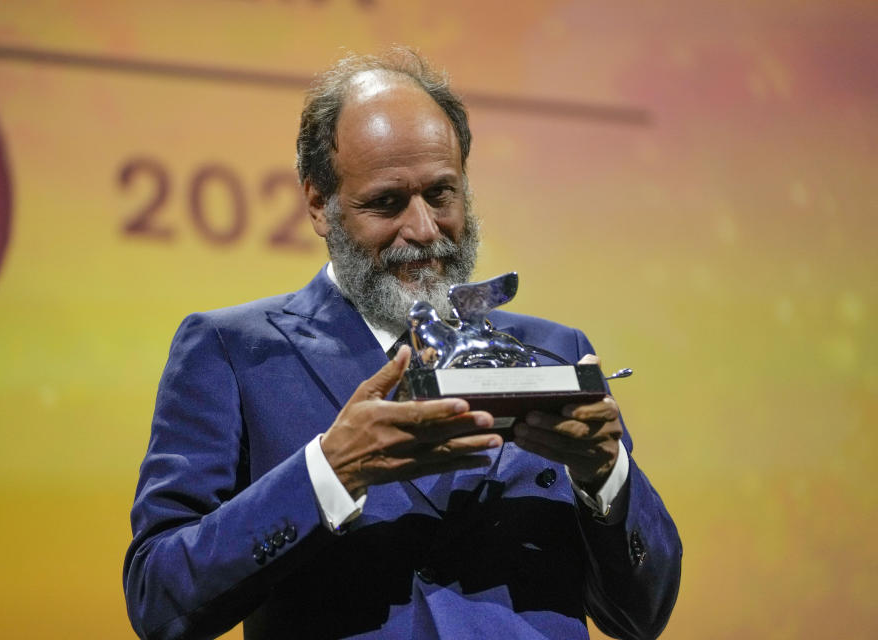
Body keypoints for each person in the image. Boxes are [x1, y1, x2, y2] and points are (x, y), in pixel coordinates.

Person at [123, 47, 681, 640]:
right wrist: (327, 472)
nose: (422, 230)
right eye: (387, 203)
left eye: (441, 195)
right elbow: (158, 601)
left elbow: (641, 617)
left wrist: (606, 476)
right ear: (319, 204)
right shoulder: (234, 352)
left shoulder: (554, 352)